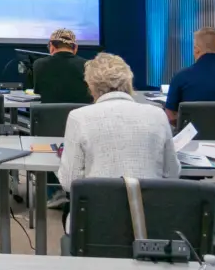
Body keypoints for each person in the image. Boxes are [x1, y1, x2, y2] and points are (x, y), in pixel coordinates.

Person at [58, 52, 180, 195]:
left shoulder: (78, 117)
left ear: (91, 86)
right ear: (129, 81)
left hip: (96, 212)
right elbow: (172, 173)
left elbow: (69, 182)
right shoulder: (158, 115)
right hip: (149, 213)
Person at [32, 28, 91, 104]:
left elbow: (38, 91)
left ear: (51, 46)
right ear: (75, 47)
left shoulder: (39, 64)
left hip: (49, 114)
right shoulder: (88, 65)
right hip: (81, 114)